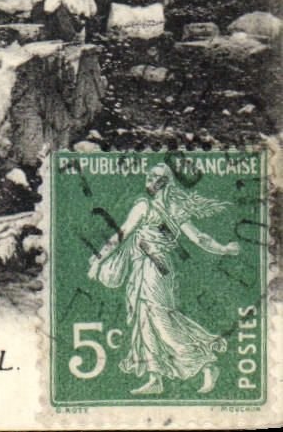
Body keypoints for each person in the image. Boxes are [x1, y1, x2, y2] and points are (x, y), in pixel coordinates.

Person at [88, 162, 242, 395]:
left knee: (160, 320)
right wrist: (224, 249)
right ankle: (155, 377)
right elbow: (199, 238)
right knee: (144, 321)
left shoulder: (151, 207)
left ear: (160, 182)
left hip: (155, 269)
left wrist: (99, 261)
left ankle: (205, 363)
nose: (149, 181)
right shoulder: (165, 208)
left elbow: (121, 236)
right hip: (144, 268)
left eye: (153, 178)